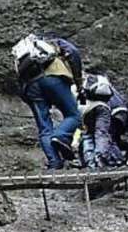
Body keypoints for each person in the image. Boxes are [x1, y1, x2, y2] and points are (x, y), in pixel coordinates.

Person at [13, 33, 83, 170]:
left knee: (44, 128)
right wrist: (78, 82)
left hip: (30, 86)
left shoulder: (22, 55)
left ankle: (54, 162)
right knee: (74, 115)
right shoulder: (54, 42)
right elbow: (73, 52)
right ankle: (61, 136)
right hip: (53, 78)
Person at [78, 74, 128, 169]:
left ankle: (90, 164)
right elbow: (102, 132)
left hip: (86, 109)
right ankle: (101, 158)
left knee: (87, 135)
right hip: (102, 108)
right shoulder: (110, 93)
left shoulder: (85, 83)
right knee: (102, 134)